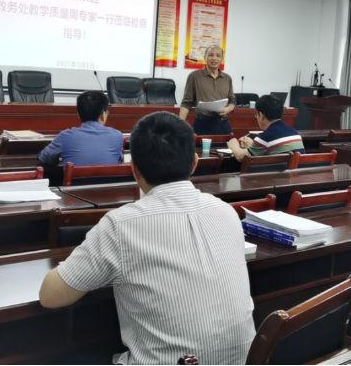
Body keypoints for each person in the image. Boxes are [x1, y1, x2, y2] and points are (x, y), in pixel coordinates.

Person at [39, 112, 255, 364]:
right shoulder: (226, 211)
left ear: (134, 169)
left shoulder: (121, 225)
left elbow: (50, 296)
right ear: (195, 163)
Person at [37, 91, 123, 167]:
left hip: (75, 181)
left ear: (78, 115)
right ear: (103, 115)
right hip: (108, 181)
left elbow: (44, 158)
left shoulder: (65, 136)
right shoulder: (117, 136)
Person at [227, 95, 305, 162]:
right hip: (296, 174)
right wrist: (253, 144)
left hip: (275, 175)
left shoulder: (266, 137)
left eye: (256, 114)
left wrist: (234, 145)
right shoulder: (294, 132)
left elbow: (240, 156)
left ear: (261, 116)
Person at [180, 44, 237, 136]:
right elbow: (186, 102)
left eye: (218, 55)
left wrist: (227, 109)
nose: (214, 58)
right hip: (202, 124)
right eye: (211, 55)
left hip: (223, 124)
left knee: (227, 145)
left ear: (222, 59)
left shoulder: (227, 78)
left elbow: (232, 101)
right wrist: (179, 125)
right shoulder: (194, 76)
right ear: (205, 58)